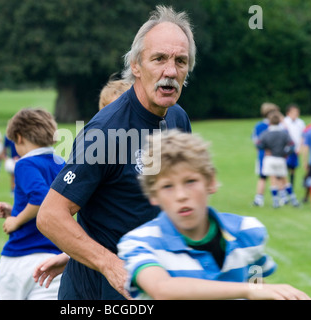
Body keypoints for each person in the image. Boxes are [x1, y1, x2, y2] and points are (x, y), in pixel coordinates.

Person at [36, 5, 195, 300]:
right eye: (159, 59)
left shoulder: (177, 119)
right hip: (99, 293)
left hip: (155, 282)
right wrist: (107, 262)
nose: (170, 71)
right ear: (136, 65)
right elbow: (50, 215)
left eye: (180, 61)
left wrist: (75, 252)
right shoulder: (106, 132)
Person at [117, 130, 311, 300]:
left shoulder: (248, 233)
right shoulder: (140, 243)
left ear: (211, 182)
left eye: (190, 181)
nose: (181, 195)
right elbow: (162, 289)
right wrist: (250, 290)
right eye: (167, 186)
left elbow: (256, 281)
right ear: (153, 196)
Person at [0, 108, 65, 300]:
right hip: (55, 260)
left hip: (21, 256)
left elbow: (41, 198)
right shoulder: (61, 163)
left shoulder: (25, 164)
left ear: (19, 138)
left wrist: (16, 220)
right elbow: (55, 203)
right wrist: (14, 209)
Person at [257, 110, 299, 208]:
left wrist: (266, 149)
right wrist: (285, 153)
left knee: (273, 180)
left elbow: (259, 144)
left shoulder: (265, 133)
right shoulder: (283, 133)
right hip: (281, 158)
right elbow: (292, 146)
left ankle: (275, 201)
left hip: (269, 159)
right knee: (285, 179)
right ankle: (293, 199)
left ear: (269, 122)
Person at [251, 102, 280, 207]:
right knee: (276, 177)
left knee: (262, 178)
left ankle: (259, 199)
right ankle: (278, 198)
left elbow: (255, 141)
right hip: (276, 155)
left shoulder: (259, 126)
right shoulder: (276, 124)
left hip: (262, 155)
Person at [283, 104, 306, 187]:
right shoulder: (284, 122)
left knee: (293, 168)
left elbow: (302, 136)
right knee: (284, 168)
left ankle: (291, 185)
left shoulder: (300, 122)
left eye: (296, 112)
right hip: (285, 149)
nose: (295, 114)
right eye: (293, 112)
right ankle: (285, 185)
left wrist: (300, 147)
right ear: (288, 113)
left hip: (296, 149)